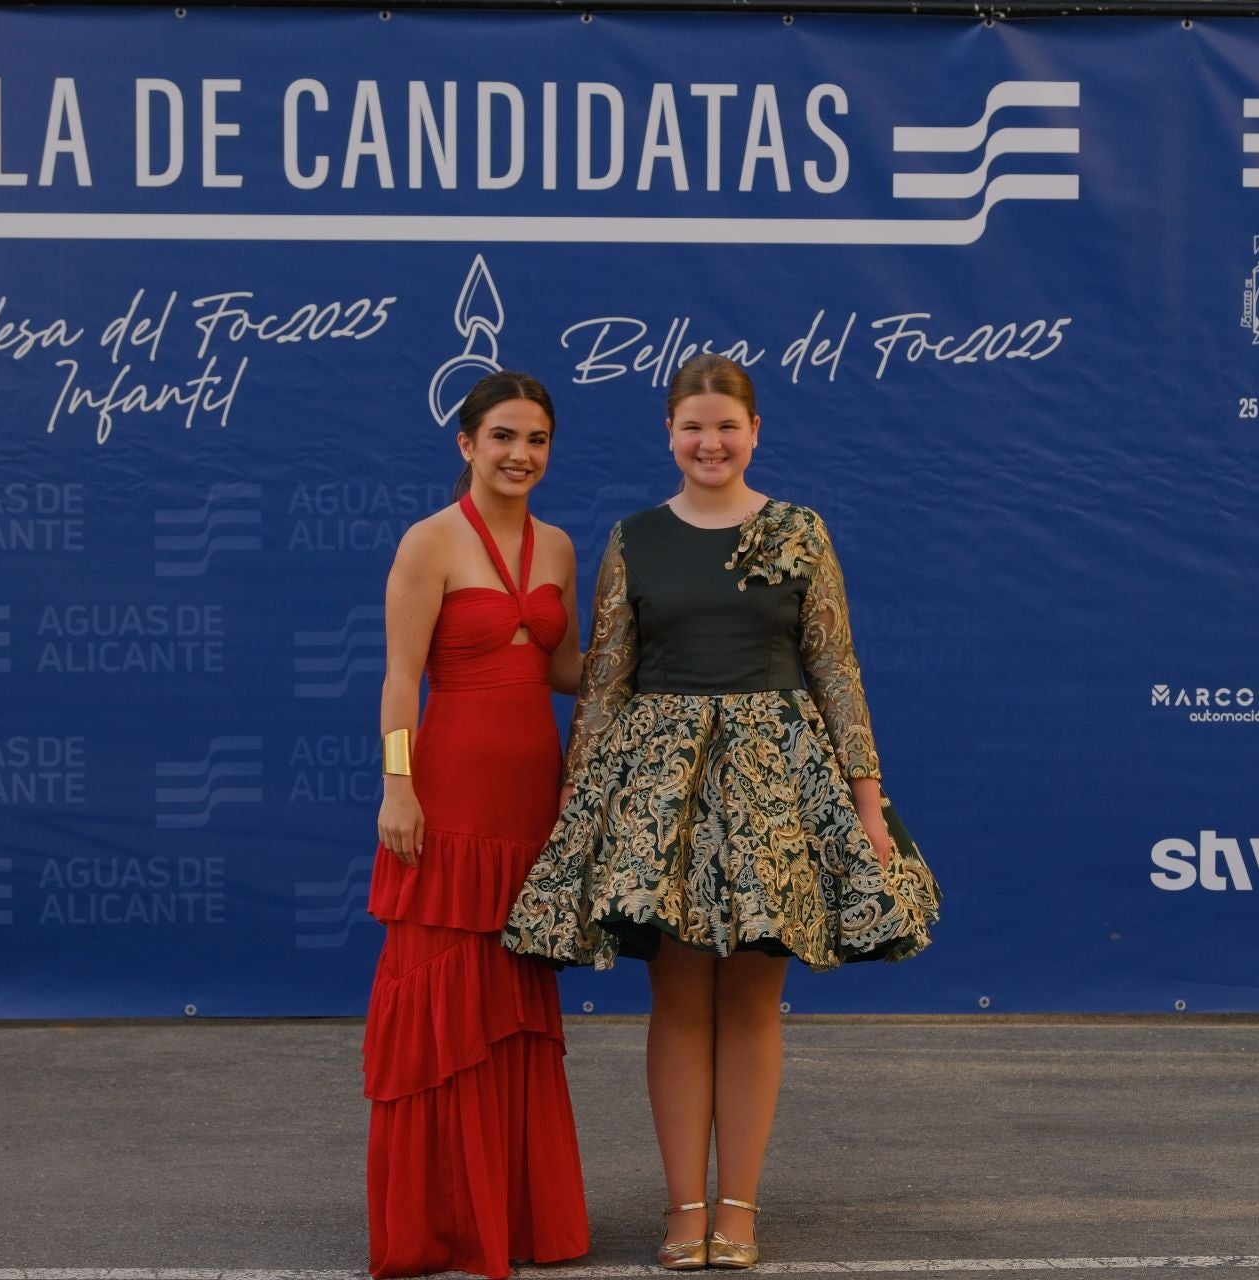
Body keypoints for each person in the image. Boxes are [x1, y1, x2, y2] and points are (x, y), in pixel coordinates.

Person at [504, 353, 940, 1270]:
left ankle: (737, 1208)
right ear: (669, 433)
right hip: (659, 795)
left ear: (755, 434)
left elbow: (837, 670)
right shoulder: (633, 539)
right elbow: (608, 683)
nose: (710, 442)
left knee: (750, 1002)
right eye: (693, 426)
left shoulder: (802, 532)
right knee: (676, 1002)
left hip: (776, 791)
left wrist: (867, 803)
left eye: (727, 427)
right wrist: (581, 812)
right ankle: (682, 1206)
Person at [363, 371, 589, 1279]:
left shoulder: (563, 548)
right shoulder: (430, 542)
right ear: (466, 444)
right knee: (442, 1001)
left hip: (533, 802)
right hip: (448, 797)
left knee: (514, 1010)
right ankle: (443, 1223)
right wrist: (398, 787)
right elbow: (397, 678)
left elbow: (566, 669)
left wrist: (664, 643)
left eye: (535, 440)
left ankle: (518, 1216)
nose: (519, 455)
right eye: (502, 437)